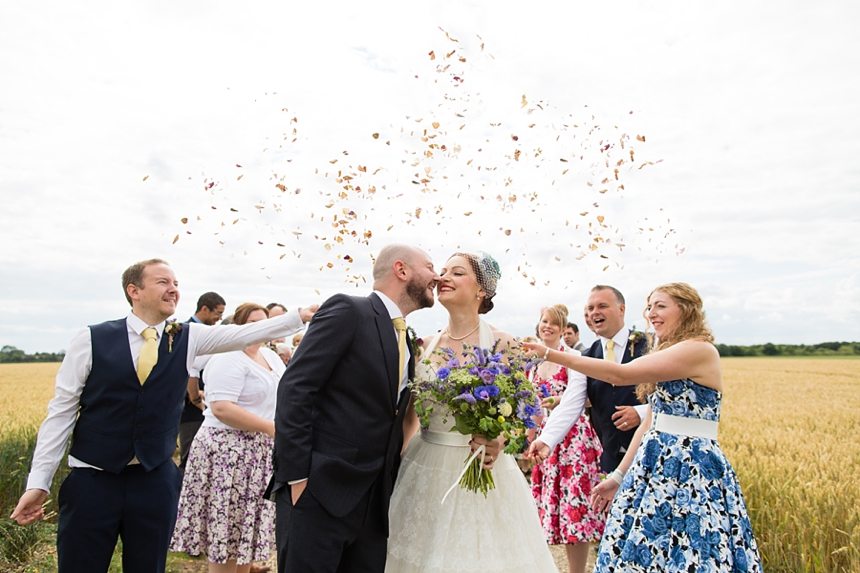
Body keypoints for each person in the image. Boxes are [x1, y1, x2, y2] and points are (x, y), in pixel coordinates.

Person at [10, 258, 315, 573]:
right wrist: (39, 482)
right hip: (92, 480)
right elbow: (61, 413)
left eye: (176, 284)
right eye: (163, 282)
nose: (174, 290)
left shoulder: (189, 337)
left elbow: (245, 333)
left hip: (154, 480)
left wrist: (300, 316)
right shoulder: (90, 339)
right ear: (134, 291)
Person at [524, 283, 762, 572]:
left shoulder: (699, 350)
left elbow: (620, 374)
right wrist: (618, 475)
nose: (651, 313)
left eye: (660, 306)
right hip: (653, 463)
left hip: (692, 466)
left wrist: (550, 354)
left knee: (692, 549)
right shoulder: (665, 350)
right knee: (643, 551)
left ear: (687, 309)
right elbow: (651, 421)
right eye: (649, 307)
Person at [269, 244, 439, 573]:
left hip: (374, 503)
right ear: (401, 270)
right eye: (430, 266)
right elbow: (296, 387)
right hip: (320, 490)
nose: (438, 275)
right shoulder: (349, 310)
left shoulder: (405, 338)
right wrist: (297, 476)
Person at [385, 251, 557, 573]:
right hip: (425, 466)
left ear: (481, 290)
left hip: (483, 466)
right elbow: (411, 416)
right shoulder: (423, 346)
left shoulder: (504, 343)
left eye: (457, 272)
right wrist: (394, 463)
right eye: (443, 271)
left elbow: (524, 411)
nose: (443, 278)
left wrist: (500, 439)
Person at [171, 303, 284, 573]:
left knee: (244, 535)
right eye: (253, 323)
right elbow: (221, 408)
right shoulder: (227, 356)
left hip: (258, 452)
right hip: (227, 452)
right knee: (224, 535)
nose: (260, 328)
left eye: (265, 322)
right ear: (238, 327)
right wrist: (271, 428)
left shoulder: (271, 357)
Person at [529, 304, 604, 573]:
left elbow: (579, 397)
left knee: (576, 508)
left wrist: (558, 401)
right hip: (545, 441)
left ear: (563, 329)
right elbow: (532, 407)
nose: (547, 326)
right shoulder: (534, 363)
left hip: (574, 441)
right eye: (544, 321)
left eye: (553, 323)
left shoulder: (573, 357)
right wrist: (528, 437)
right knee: (554, 509)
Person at [179, 291, 227, 474]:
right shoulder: (182, 332)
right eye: (218, 313)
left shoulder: (211, 334)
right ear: (205, 309)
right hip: (190, 408)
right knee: (189, 459)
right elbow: (188, 370)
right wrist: (195, 398)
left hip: (208, 406)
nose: (219, 319)